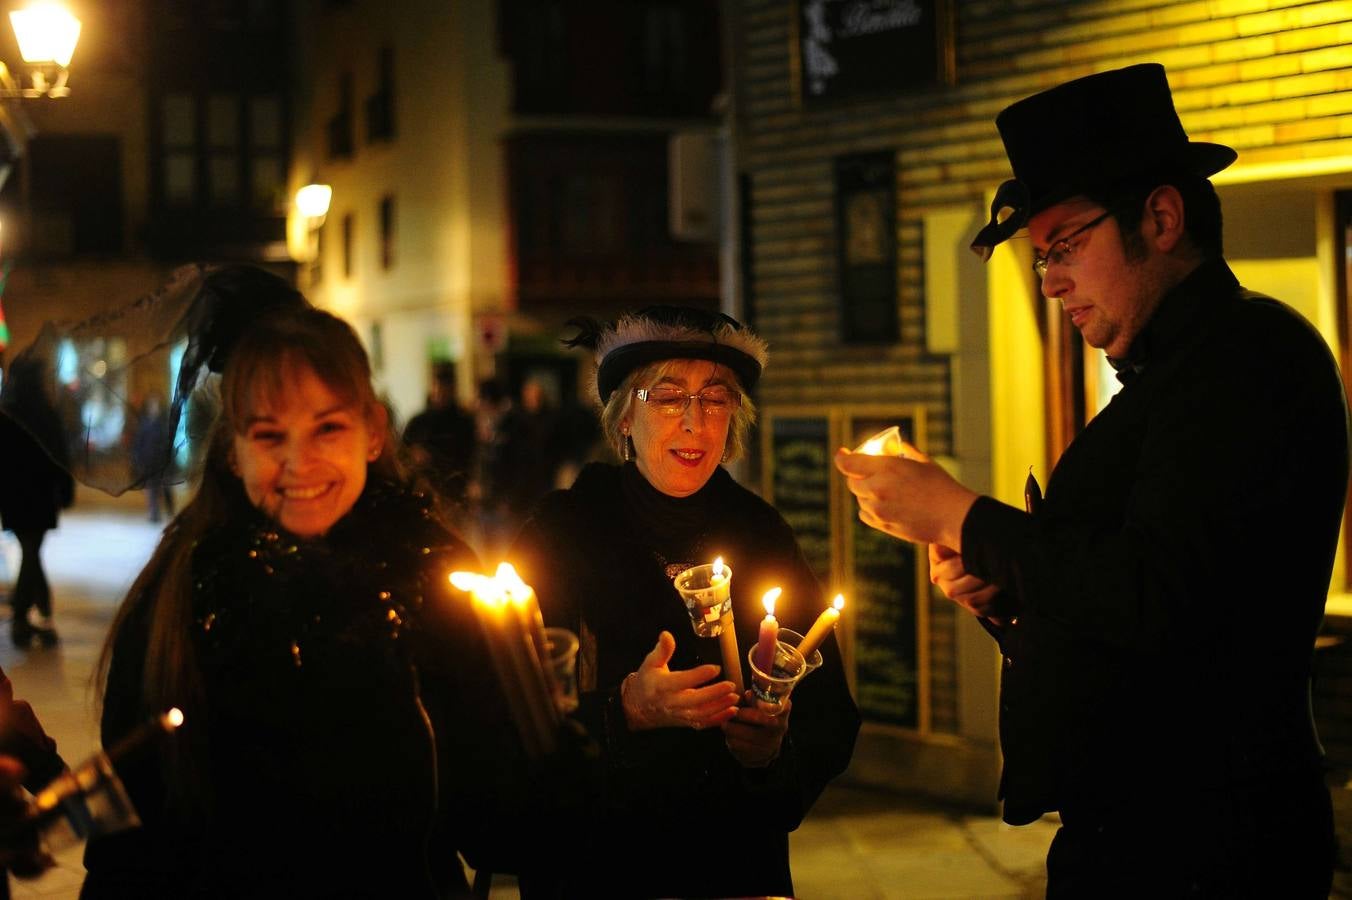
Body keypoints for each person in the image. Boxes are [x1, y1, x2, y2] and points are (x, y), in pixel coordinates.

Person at [835, 63, 1350, 897]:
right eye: (1041, 260)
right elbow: (1123, 601)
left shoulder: (1246, 362)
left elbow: (1163, 594)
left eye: (1065, 247)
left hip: (1207, 843)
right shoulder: (1171, 373)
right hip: (1143, 827)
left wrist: (966, 517)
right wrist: (1001, 592)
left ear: (1161, 215)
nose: (1050, 283)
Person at [79, 267, 511, 898]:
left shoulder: (436, 577)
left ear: (372, 433)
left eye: (327, 428)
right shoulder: (179, 597)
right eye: (269, 435)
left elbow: (493, 824)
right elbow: (125, 840)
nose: (298, 464)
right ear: (233, 451)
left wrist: (559, 736)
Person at [511, 305, 861, 898]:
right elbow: (510, 713)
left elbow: (829, 716)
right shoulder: (563, 532)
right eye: (669, 398)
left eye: (715, 398)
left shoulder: (761, 534)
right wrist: (622, 713)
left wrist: (770, 750)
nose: (695, 423)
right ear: (624, 418)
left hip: (733, 865)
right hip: (597, 864)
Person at [0, 359, 74, 648]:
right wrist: (65, 491)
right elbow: (60, 457)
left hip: (16, 498)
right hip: (40, 496)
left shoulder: (8, 415)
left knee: (31, 551)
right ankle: (29, 614)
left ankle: (38, 613)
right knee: (32, 552)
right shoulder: (45, 414)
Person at [402, 361, 478, 515]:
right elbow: (402, 452)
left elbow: (472, 455)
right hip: (424, 494)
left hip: (455, 496)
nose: (440, 393)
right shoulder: (419, 422)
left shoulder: (463, 422)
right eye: (437, 387)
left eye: (445, 388)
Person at [130, 393, 176, 524]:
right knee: (151, 488)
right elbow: (139, 442)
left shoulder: (163, 424)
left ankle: (169, 510)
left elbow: (168, 443)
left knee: (165, 487)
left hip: (160, 461)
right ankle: (154, 513)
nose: (153, 408)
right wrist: (137, 457)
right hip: (148, 460)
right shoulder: (144, 423)